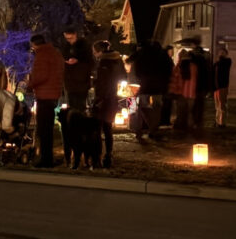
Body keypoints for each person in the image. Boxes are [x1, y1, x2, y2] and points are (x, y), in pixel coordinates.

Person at [28, 34, 64, 168]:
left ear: (35, 44)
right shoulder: (56, 53)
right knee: (48, 128)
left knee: (44, 130)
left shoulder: (42, 55)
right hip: (54, 93)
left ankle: (46, 159)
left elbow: (41, 75)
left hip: (44, 94)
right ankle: (48, 157)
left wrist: (30, 83)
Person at [129, 39, 173, 141]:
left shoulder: (140, 56)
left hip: (139, 87)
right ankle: (152, 130)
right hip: (157, 88)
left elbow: (136, 73)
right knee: (155, 109)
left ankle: (138, 130)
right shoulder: (163, 57)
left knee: (136, 109)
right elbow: (168, 71)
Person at [92, 39, 124, 168]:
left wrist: (98, 96)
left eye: (94, 52)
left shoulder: (104, 63)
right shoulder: (118, 60)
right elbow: (122, 78)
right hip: (113, 98)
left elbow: (103, 83)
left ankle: (98, 155)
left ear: (100, 52)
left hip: (104, 99)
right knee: (108, 127)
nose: (94, 54)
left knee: (98, 128)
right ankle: (109, 154)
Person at [61, 28, 95, 111]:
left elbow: (89, 61)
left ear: (75, 35)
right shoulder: (66, 46)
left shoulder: (84, 45)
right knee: (72, 105)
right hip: (70, 81)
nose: (69, 40)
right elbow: (63, 56)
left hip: (81, 82)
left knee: (80, 105)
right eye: (67, 38)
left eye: (70, 38)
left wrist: (78, 60)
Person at [212, 44, 231, 127]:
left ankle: (222, 122)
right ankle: (217, 121)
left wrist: (220, 59)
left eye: (223, 52)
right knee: (217, 106)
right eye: (220, 52)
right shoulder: (217, 63)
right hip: (216, 87)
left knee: (222, 105)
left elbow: (223, 64)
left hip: (223, 86)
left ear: (226, 54)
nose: (221, 54)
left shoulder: (227, 61)